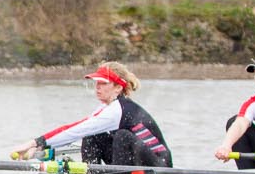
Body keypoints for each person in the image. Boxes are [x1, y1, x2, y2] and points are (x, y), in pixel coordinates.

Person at [11, 62, 172, 167]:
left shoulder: (118, 110)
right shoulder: (105, 108)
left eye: (103, 83)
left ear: (118, 88)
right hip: (134, 162)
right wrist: (38, 148)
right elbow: (75, 130)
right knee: (92, 135)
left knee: (122, 135)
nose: (97, 87)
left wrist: (33, 142)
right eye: (96, 83)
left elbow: (76, 131)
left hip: (159, 167)